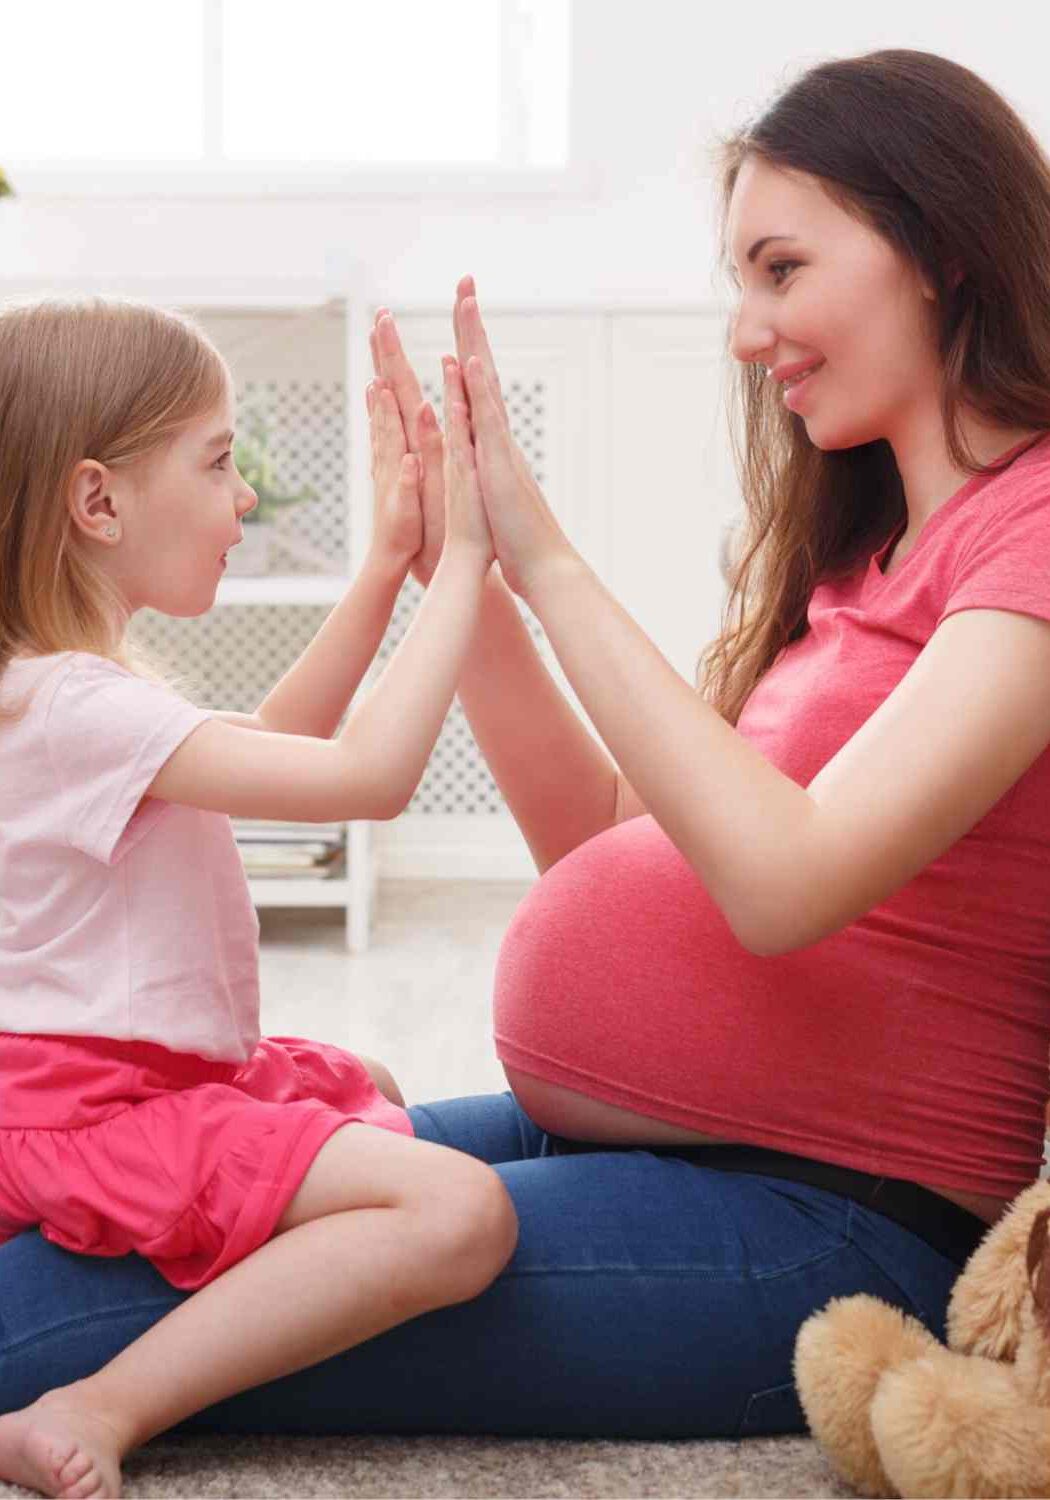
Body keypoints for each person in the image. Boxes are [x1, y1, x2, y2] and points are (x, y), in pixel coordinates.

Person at [3, 43, 1050, 1450]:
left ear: (940, 250)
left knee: (80, 1308)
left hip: (830, 1214)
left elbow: (786, 879)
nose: (746, 332)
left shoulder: (1032, 536)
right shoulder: (861, 563)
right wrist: (472, 562)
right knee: (191, 1200)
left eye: (781, 270)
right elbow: (609, 843)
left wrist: (544, 555)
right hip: (647, 1143)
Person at [0, 298, 518, 1498]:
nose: (243, 499)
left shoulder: (64, 692)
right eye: (218, 460)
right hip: (91, 1104)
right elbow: (368, 779)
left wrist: (388, 565)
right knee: (461, 1212)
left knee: (371, 1087)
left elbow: (286, 746)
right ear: (98, 503)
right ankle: (98, 1404)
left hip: (128, 1080)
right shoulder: (70, 705)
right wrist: (468, 563)